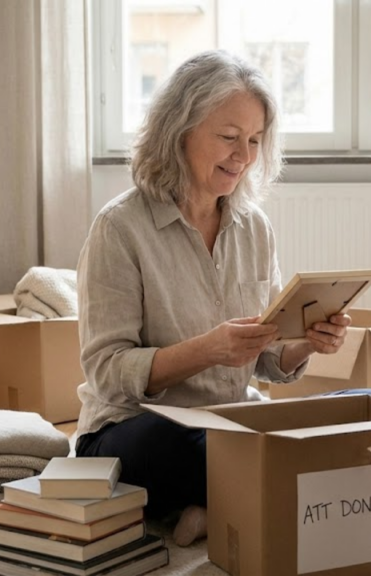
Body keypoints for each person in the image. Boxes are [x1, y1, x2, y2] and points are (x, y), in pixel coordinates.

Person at [73, 50, 351, 547]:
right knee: (184, 444)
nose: (243, 157)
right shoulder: (119, 228)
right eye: (228, 137)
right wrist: (208, 350)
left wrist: (309, 342)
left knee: (361, 411)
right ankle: (254, 491)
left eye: (254, 141)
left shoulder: (254, 228)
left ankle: (218, 501)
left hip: (229, 423)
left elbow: (267, 358)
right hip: (136, 430)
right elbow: (108, 372)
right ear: (179, 131)